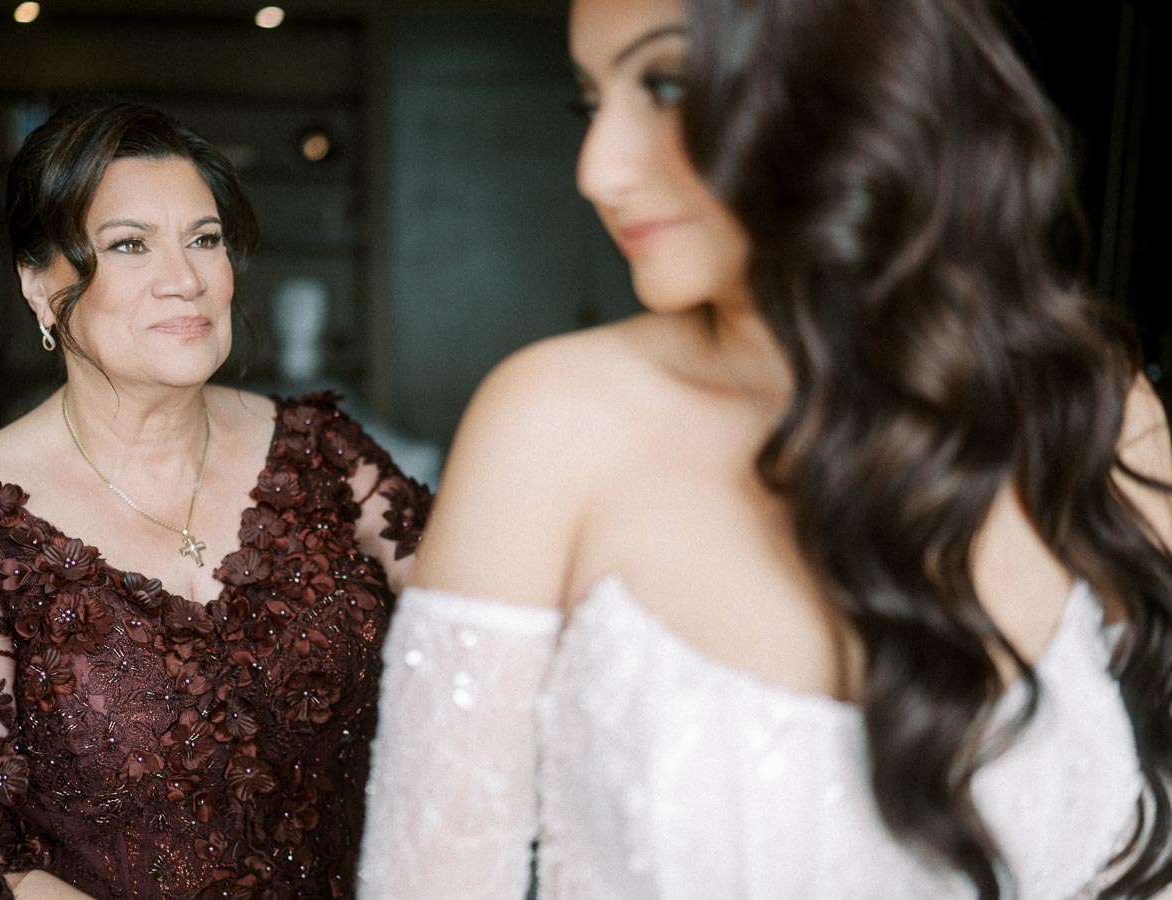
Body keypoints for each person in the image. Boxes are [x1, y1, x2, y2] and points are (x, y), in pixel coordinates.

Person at [355, 0, 1172, 896]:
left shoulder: (1098, 411)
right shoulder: (551, 426)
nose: (597, 169)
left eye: (666, 85)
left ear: (862, 79)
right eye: (591, 102)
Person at [0, 99, 429, 898]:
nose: (184, 280)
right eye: (129, 246)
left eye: (204, 240)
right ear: (42, 286)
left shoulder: (325, 453)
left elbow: (490, 621)